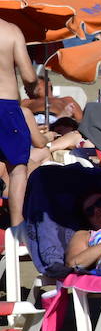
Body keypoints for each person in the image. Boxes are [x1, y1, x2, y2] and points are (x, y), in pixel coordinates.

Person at [0, 17, 37, 229]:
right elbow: (29, 76)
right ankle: (17, 230)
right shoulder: (10, 30)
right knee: (17, 170)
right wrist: (32, 90)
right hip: (5, 106)